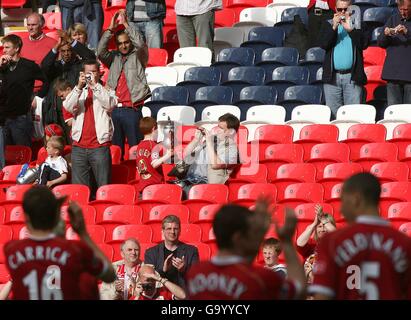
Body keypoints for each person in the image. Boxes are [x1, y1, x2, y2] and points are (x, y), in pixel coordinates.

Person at [3, 186, 116, 299]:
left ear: (26, 217)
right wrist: (83, 233)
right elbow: (110, 275)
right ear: (56, 215)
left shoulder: (11, 250)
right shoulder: (76, 250)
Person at [310, 173, 411, 299]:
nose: (341, 209)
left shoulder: (332, 241)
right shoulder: (404, 243)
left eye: (343, 201)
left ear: (356, 199)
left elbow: (322, 296)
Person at [186, 199, 307, 299]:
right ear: (238, 238)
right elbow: (299, 290)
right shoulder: (259, 278)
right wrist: (286, 242)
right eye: (250, 234)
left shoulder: (195, 273)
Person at [97, 9, 151, 158]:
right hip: (114, 109)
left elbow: (140, 44)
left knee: (135, 150)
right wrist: (110, 29)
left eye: (126, 42)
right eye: (120, 44)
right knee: (115, 151)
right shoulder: (113, 57)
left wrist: (126, 24)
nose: (124, 46)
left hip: (132, 109)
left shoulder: (139, 56)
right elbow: (100, 52)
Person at [62, 59, 117, 195]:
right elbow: (68, 107)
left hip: (99, 146)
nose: (90, 75)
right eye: (87, 73)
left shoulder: (107, 89)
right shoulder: (79, 90)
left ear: (99, 73)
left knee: (103, 189)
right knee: (80, 191)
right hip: (79, 146)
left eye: (93, 72)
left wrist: (95, 86)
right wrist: (79, 87)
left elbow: (110, 105)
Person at [319, 0, 368, 119]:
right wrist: (334, 27)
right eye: (339, 9)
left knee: (353, 116)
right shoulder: (328, 24)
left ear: (350, 9)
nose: (342, 12)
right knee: (334, 116)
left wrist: (351, 30)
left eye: (345, 10)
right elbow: (324, 44)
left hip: (352, 77)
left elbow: (364, 44)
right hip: (332, 78)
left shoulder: (358, 24)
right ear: (335, 9)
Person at [0, 34, 49, 151]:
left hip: (20, 117)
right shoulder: (2, 67)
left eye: (7, 47)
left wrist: (37, 98)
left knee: (22, 152)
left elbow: (46, 82)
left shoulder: (29, 65)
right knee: (6, 155)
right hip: (3, 118)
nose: (4, 50)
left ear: (16, 48)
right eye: (3, 47)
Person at [175, 113, 239, 198]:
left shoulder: (231, 148)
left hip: (206, 184)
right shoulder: (211, 141)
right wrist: (196, 139)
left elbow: (216, 165)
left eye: (221, 128)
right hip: (189, 179)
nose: (216, 130)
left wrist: (209, 142)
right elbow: (185, 156)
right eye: (217, 126)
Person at [144, 215, 199, 290]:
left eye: (175, 229)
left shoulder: (191, 251)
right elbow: (148, 278)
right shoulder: (151, 253)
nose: (172, 232)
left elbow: (196, 278)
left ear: (180, 231)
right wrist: (163, 270)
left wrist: (183, 270)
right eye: (169, 229)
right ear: (163, 231)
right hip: (159, 295)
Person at [377, 0, 411, 105]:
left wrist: (407, 32)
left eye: (406, 9)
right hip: (393, 74)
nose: (403, 12)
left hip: (409, 74)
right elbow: (381, 43)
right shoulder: (393, 19)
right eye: (400, 9)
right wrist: (386, 34)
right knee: (393, 110)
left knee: (408, 111)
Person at [296, 204, 336, 283]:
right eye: (319, 226)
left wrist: (324, 220)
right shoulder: (311, 245)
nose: (322, 229)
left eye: (325, 226)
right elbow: (299, 243)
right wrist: (314, 223)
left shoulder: (335, 246)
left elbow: (337, 235)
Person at [135, 117, 173, 193]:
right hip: (154, 186)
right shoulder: (152, 145)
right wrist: (167, 155)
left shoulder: (139, 145)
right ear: (153, 129)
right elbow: (154, 164)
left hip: (143, 186)